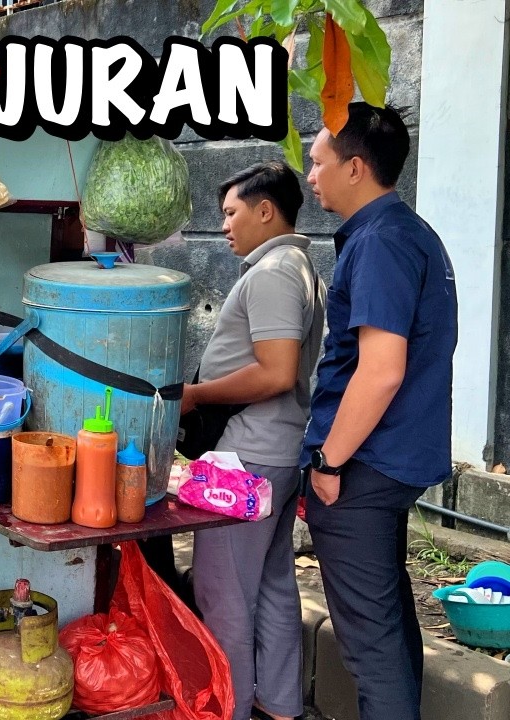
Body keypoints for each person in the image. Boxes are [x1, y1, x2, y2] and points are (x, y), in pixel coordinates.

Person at [303, 103, 457, 720]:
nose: (310, 176)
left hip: (364, 464)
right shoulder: (407, 233)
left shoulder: (382, 242)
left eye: (318, 163)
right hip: (393, 458)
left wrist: (327, 460)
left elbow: (382, 367)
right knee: (389, 626)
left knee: (369, 644)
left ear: (356, 168)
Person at [182, 161, 325, 720]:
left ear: (266, 211)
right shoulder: (295, 266)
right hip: (277, 453)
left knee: (223, 593)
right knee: (269, 584)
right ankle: (280, 703)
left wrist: (197, 396)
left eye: (231, 212)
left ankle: (231, 707)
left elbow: (276, 373)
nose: (224, 226)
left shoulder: (273, 273)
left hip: (250, 458)